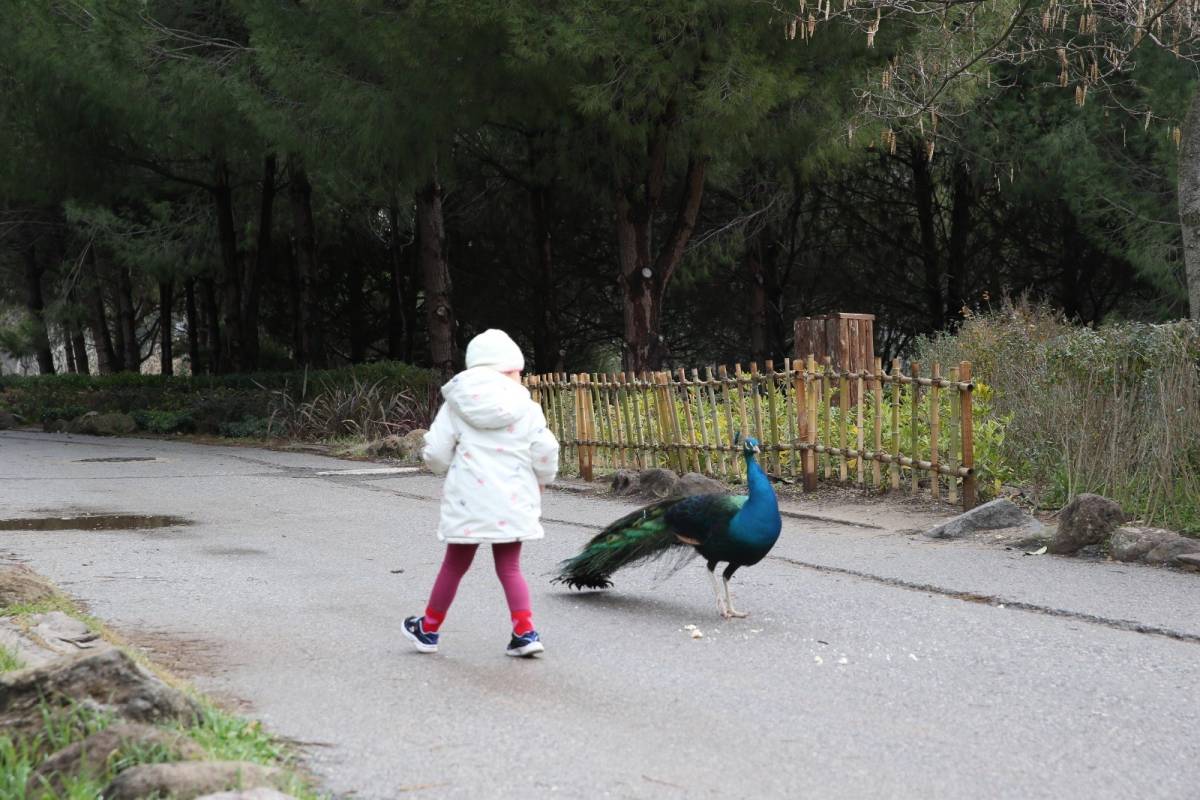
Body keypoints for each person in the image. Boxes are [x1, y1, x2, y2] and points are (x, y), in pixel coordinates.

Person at [403, 329, 559, 657]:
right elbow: (545, 449)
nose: (520, 375)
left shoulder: (456, 405)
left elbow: (437, 454)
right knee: (510, 568)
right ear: (509, 370)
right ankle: (525, 631)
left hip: (468, 500)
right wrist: (543, 479)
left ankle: (428, 629)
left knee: (454, 566)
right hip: (513, 500)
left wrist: (436, 466)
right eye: (518, 370)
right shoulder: (526, 407)